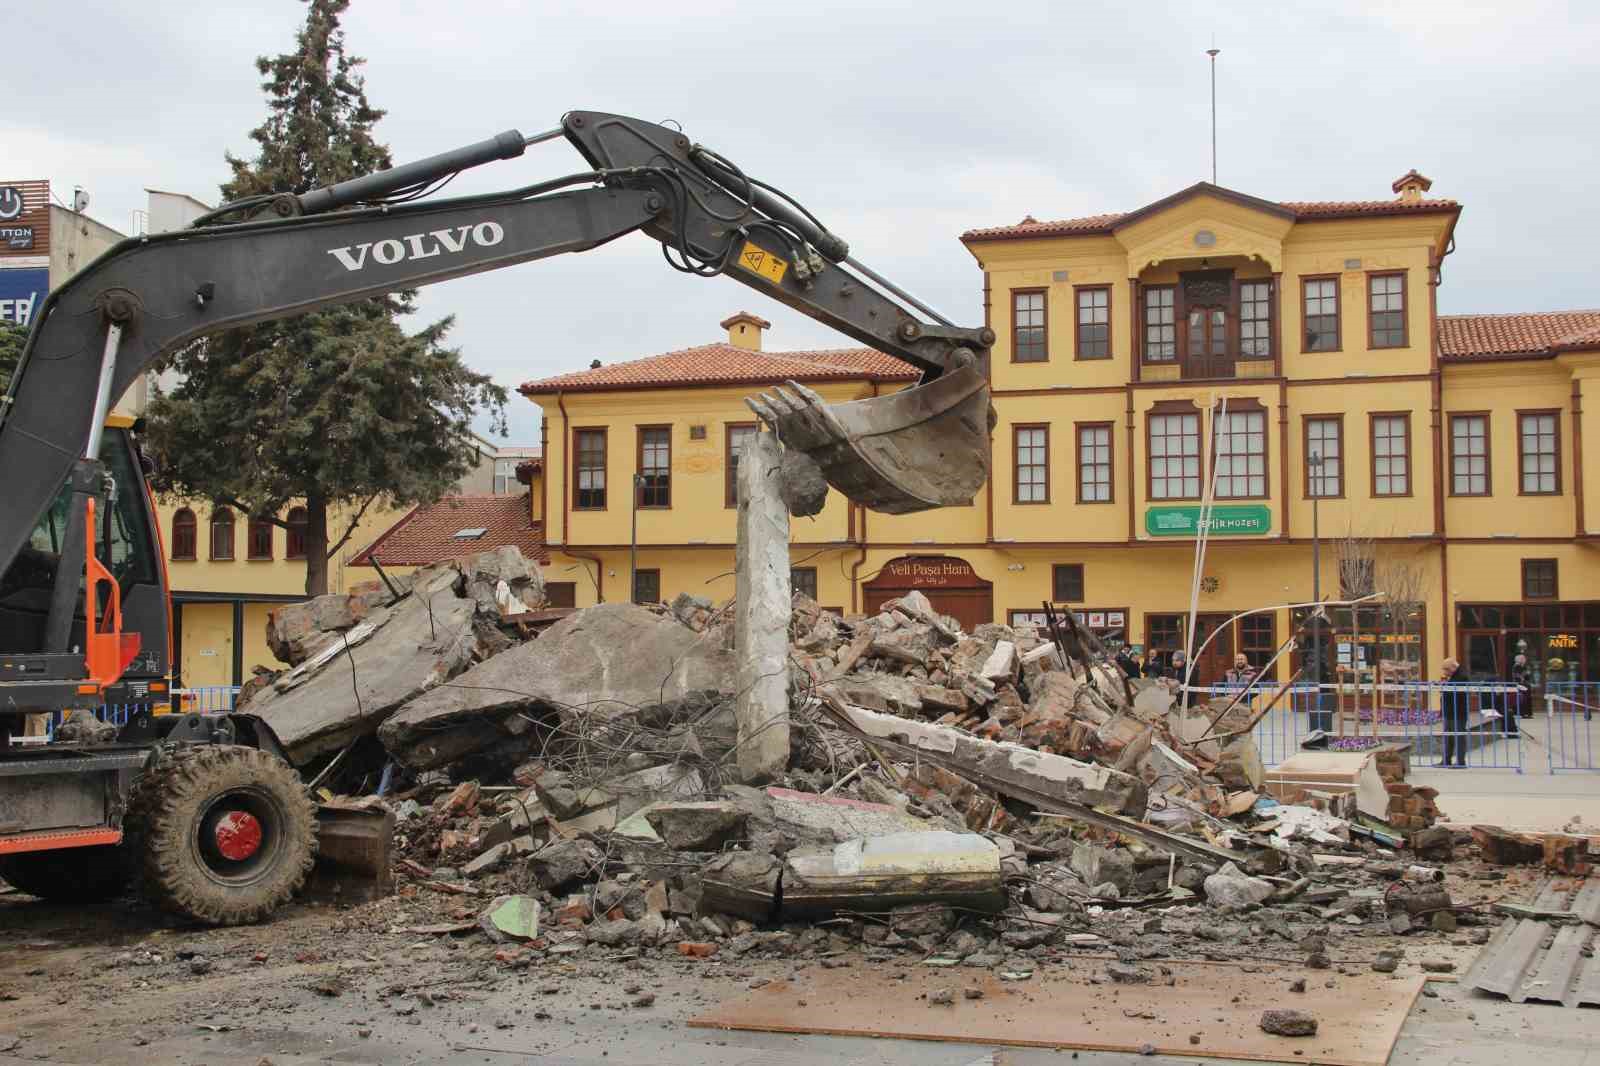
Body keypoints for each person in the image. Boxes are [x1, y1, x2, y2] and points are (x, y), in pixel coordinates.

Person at [1438, 657, 1468, 768]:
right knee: (1447, 737)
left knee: (1459, 736)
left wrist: (1444, 686)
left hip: (1458, 712)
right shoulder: (1453, 676)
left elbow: (1454, 692)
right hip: (1449, 711)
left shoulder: (1462, 676)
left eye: (1446, 669)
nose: (1445, 672)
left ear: (1453, 667)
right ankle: (1446, 760)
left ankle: (1460, 762)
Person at [1505, 653, 1530, 736]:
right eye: (1523, 659)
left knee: (1525, 697)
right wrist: (1523, 678)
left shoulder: (1522, 666)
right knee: (1521, 698)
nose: (1525, 660)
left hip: (1523, 684)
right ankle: (1522, 712)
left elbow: (1526, 675)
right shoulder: (1516, 666)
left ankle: (1525, 713)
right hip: (1519, 684)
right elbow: (1518, 676)